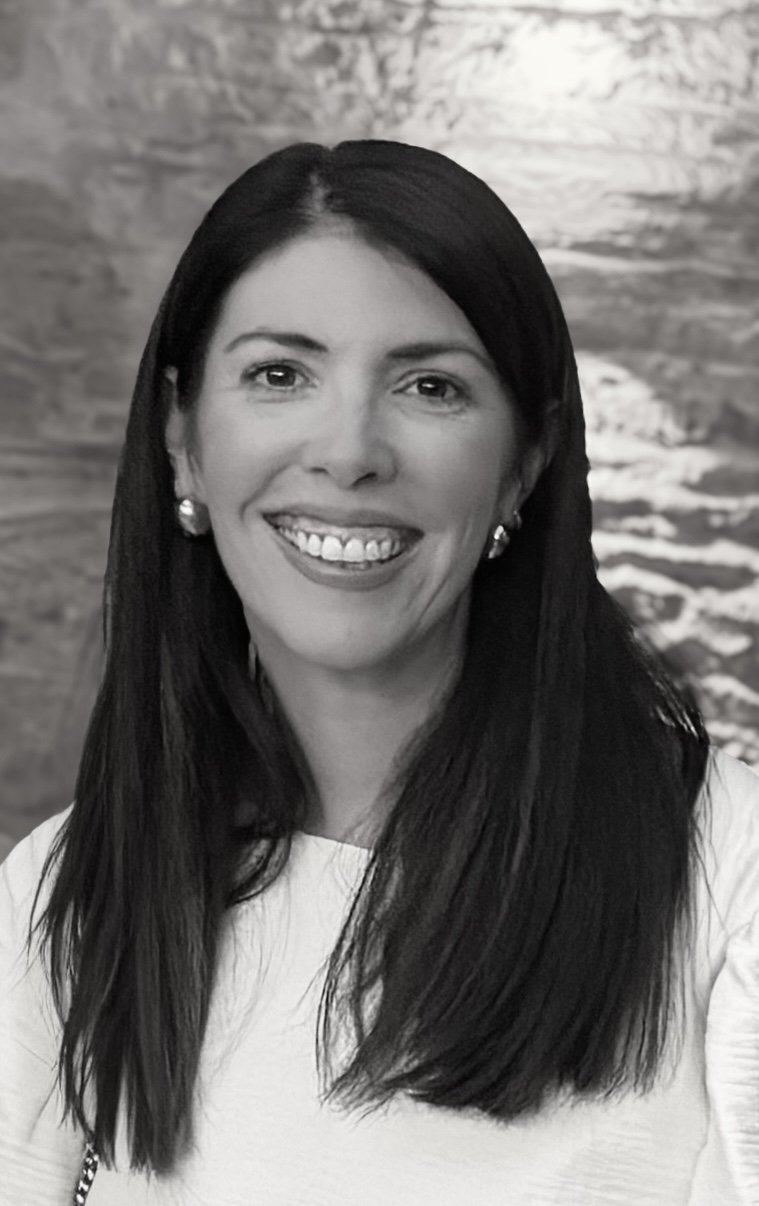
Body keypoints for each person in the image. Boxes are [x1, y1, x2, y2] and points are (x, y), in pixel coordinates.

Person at [1, 139, 757, 1206]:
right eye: (279, 374)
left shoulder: (731, 878)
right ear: (182, 440)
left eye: (431, 385)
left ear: (524, 468)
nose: (349, 450)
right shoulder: (65, 893)